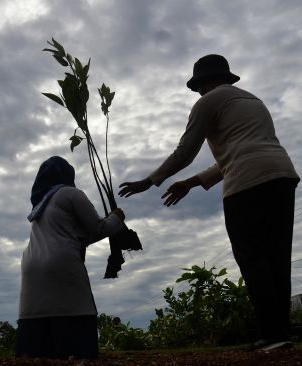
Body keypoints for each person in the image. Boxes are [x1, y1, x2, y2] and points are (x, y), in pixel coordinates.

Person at [118, 54, 299, 351]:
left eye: (198, 87)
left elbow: (185, 151)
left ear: (202, 82)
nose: (198, 93)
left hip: (246, 185)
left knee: (253, 258)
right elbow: (239, 153)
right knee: (277, 257)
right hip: (281, 175)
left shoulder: (208, 102)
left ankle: (272, 334)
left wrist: (149, 181)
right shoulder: (252, 101)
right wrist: (191, 183)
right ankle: (281, 335)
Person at [17, 156, 125, 359]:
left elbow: (78, 238)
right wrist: (116, 218)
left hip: (31, 265)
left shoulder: (41, 206)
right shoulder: (70, 193)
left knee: (37, 325)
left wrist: (113, 223)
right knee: (76, 310)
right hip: (61, 262)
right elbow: (98, 227)